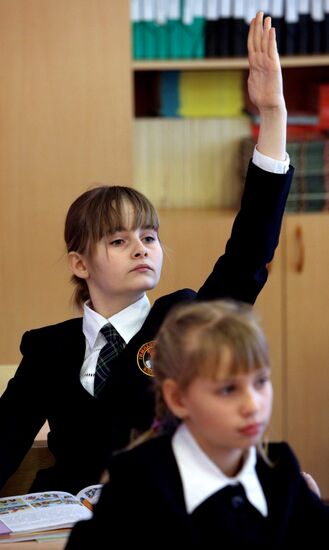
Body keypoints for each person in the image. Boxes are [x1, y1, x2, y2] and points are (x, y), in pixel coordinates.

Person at [0, 11, 293, 495]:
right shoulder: (47, 348)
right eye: (118, 240)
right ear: (80, 263)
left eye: (149, 237)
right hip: (69, 529)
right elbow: (4, 440)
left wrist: (273, 114)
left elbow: (248, 257)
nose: (141, 247)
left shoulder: (186, 321)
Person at [65, 299, 329, 549]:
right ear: (178, 398)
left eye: (260, 382)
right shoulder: (136, 483)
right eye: (228, 389)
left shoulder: (280, 470)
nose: (253, 405)